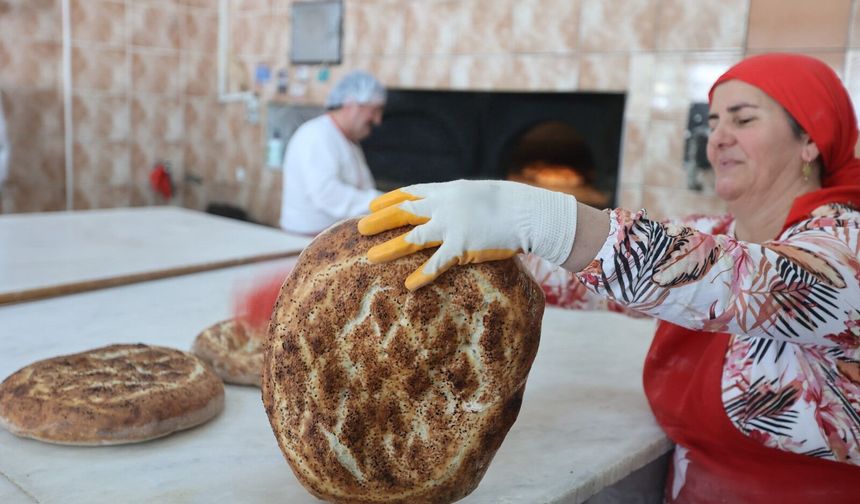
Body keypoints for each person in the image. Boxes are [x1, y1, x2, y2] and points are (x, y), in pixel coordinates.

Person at [357, 53, 860, 503]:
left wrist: (542, 218)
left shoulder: (846, 242)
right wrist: (471, 251)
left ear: (810, 141)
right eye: (714, 120)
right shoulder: (720, 232)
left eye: (744, 119)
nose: (718, 136)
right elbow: (589, 279)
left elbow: (736, 282)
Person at [279, 70, 386, 235]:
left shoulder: (347, 140)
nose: (378, 120)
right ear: (353, 105)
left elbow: (364, 187)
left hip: (332, 238)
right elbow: (327, 193)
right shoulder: (317, 135)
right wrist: (382, 203)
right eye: (375, 110)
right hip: (306, 241)